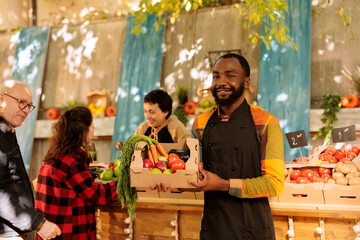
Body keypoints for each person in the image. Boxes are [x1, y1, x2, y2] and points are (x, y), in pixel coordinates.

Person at [190, 53, 285, 240]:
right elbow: (194, 174)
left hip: (253, 228)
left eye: (230, 76)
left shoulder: (266, 122)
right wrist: (171, 182)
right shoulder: (199, 123)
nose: (221, 82)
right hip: (214, 226)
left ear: (246, 82)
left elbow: (274, 184)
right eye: (216, 76)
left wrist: (224, 185)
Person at [34, 106, 117, 240]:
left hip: (52, 232)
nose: (93, 132)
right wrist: (121, 184)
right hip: (67, 233)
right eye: (92, 127)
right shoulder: (70, 161)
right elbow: (95, 194)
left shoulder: (56, 153)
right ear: (83, 131)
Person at [0, 79, 61, 240]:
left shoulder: (7, 132)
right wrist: (38, 224)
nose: (26, 110)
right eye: (21, 102)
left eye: (29, 106)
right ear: (1, 100)